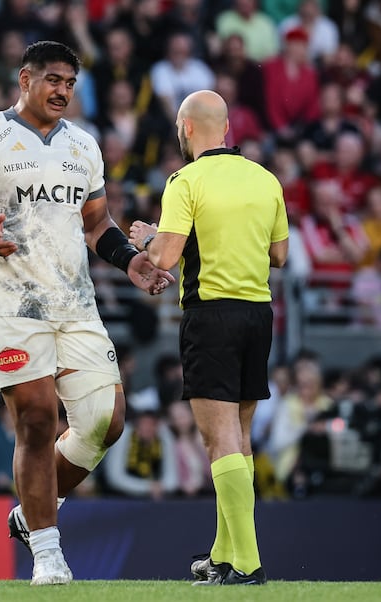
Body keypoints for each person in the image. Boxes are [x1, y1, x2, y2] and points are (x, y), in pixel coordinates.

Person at [0, 41, 172, 586]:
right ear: (25, 79)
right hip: (9, 303)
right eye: (53, 80)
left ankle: (31, 509)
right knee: (38, 419)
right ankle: (47, 553)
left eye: (70, 81)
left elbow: (96, 223)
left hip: (75, 302)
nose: (63, 90)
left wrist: (130, 261)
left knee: (106, 423)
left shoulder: (84, 146)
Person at [128, 89, 289, 586]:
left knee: (219, 443)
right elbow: (280, 256)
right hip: (258, 316)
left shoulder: (185, 180)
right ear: (228, 129)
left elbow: (165, 258)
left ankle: (247, 562)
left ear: (188, 128)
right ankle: (223, 553)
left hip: (211, 317)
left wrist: (146, 238)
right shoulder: (266, 179)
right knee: (238, 442)